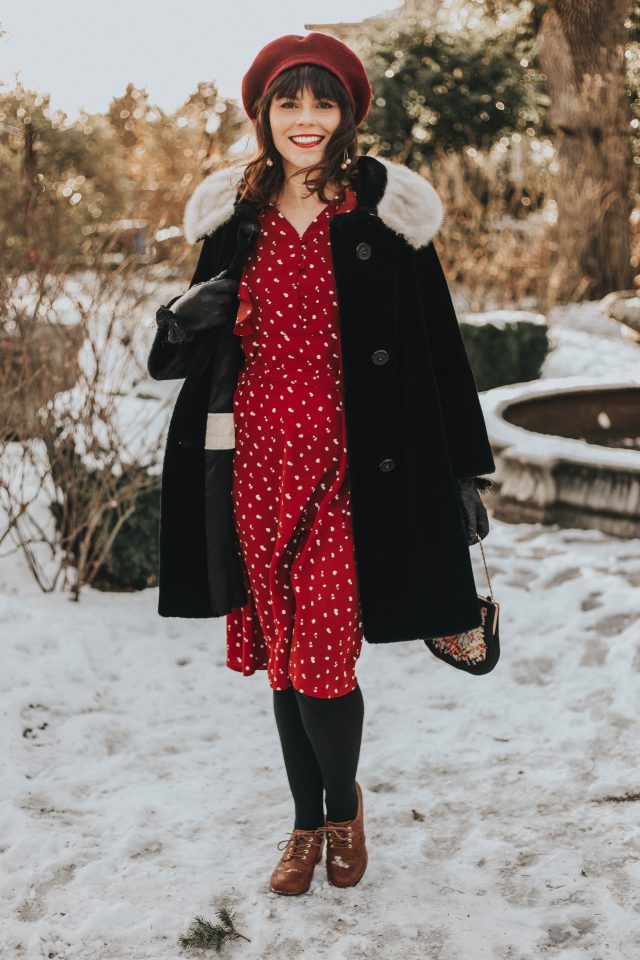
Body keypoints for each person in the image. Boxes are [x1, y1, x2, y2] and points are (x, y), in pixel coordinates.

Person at [148, 31, 494, 896]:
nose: (306, 119)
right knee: (283, 655)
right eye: (288, 103)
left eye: (323, 101)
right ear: (263, 113)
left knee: (323, 658)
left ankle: (341, 810)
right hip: (254, 465)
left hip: (354, 470)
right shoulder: (235, 216)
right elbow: (180, 356)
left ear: (348, 112)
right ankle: (304, 825)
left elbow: (439, 351)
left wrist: (462, 473)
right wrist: (185, 314)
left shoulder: (384, 213)